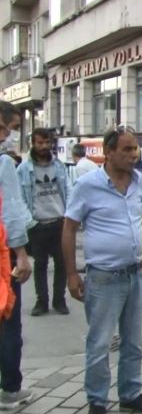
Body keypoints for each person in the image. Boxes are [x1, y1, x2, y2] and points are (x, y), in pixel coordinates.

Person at [61, 125, 142, 414]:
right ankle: (96, 401)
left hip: (134, 275)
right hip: (103, 278)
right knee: (100, 342)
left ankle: (130, 393)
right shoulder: (88, 185)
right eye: (127, 150)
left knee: (133, 341)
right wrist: (71, 274)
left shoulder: (137, 182)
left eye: (136, 149)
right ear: (109, 153)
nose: (134, 155)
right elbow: (68, 229)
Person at [0, 100, 34, 410]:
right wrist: (21, 254)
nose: (10, 135)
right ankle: (10, 388)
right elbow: (11, 212)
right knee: (8, 320)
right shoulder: (4, 163)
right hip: (3, 255)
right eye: (10, 128)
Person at [17, 128, 71, 316]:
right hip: (37, 225)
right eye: (39, 143)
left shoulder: (59, 166)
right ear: (33, 143)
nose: (43, 146)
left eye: (46, 142)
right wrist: (30, 221)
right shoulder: (24, 169)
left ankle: (59, 300)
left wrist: (69, 217)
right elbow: (20, 198)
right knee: (40, 265)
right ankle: (42, 302)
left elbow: (68, 190)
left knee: (62, 263)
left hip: (59, 222)